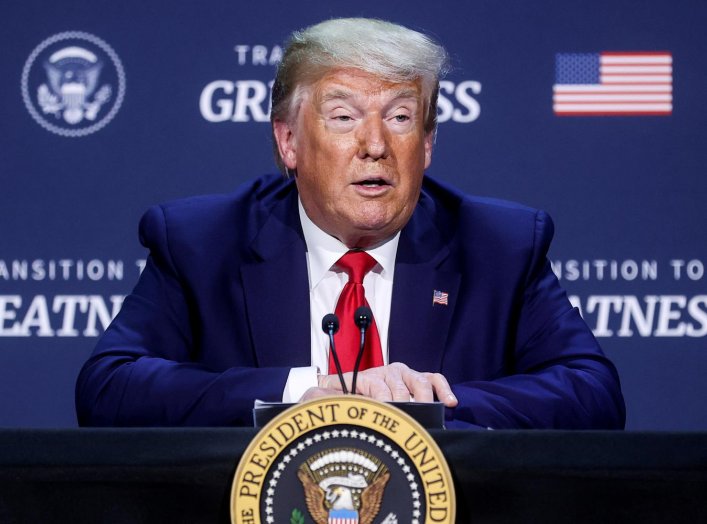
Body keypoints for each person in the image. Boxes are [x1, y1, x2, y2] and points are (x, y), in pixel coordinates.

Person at [75, 18, 625, 429]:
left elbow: (594, 394)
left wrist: (422, 406)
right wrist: (309, 392)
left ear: (428, 144)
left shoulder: (497, 247)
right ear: (289, 141)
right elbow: (108, 390)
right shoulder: (203, 243)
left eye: (401, 117)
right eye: (343, 117)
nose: (375, 145)